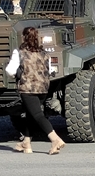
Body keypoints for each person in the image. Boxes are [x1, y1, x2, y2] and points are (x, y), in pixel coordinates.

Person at [5, 26, 66, 154]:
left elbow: (10, 70)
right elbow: (51, 70)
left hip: (28, 89)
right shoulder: (44, 53)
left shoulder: (20, 52)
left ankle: (55, 139)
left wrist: (17, 75)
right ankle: (26, 143)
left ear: (23, 37)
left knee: (38, 115)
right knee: (31, 115)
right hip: (43, 88)